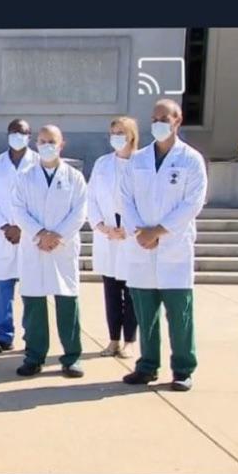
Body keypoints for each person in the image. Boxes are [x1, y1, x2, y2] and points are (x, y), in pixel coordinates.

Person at [120, 99, 207, 391]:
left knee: (179, 315)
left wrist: (158, 231)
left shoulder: (191, 160)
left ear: (177, 121)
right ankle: (147, 366)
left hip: (174, 248)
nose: (158, 124)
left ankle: (183, 369)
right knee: (146, 314)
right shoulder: (138, 160)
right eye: (154, 118)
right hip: (142, 247)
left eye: (164, 119)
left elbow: (192, 203)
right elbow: (126, 198)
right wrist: (141, 232)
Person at [14, 125, 87, 379]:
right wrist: (39, 234)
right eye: (42, 141)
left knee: (67, 302)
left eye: (52, 141)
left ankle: (72, 357)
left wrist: (57, 236)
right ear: (36, 144)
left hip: (62, 248)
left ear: (61, 144)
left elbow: (79, 211)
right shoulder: (25, 176)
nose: (47, 146)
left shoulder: (74, 177)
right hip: (35, 246)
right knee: (34, 304)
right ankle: (34, 357)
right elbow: (18, 209)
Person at [0, 118, 39, 354]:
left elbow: (41, 202)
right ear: (7, 134)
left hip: (30, 236)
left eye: (23, 132)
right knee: (3, 289)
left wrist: (23, 228)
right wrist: (5, 226)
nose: (18, 136)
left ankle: (32, 335)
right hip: (3, 235)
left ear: (29, 136)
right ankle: (3, 336)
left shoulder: (38, 163)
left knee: (31, 290)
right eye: (14, 131)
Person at [87, 117, 139, 358]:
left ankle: (130, 340)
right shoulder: (102, 164)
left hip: (131, 237)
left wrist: (130, 229)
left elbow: (145, 201)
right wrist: (102, 227)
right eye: (113, 133)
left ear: (132, 136)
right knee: (111, 292)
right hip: (107, 236)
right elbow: (92, 198)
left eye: (121, 133)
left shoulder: (141, 164)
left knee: (131, 292)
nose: (116, 137)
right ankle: (113, 340)